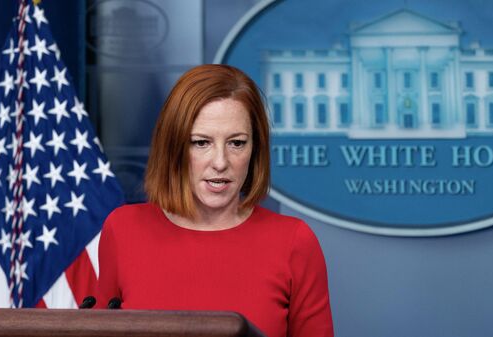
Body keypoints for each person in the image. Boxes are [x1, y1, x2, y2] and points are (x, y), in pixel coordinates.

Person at [95, 64, 334, 337]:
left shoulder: (294, 241)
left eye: (236, 143)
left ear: (255, 149)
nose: (220, 162)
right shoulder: (123, 229)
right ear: (173, 147)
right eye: (201, 142)